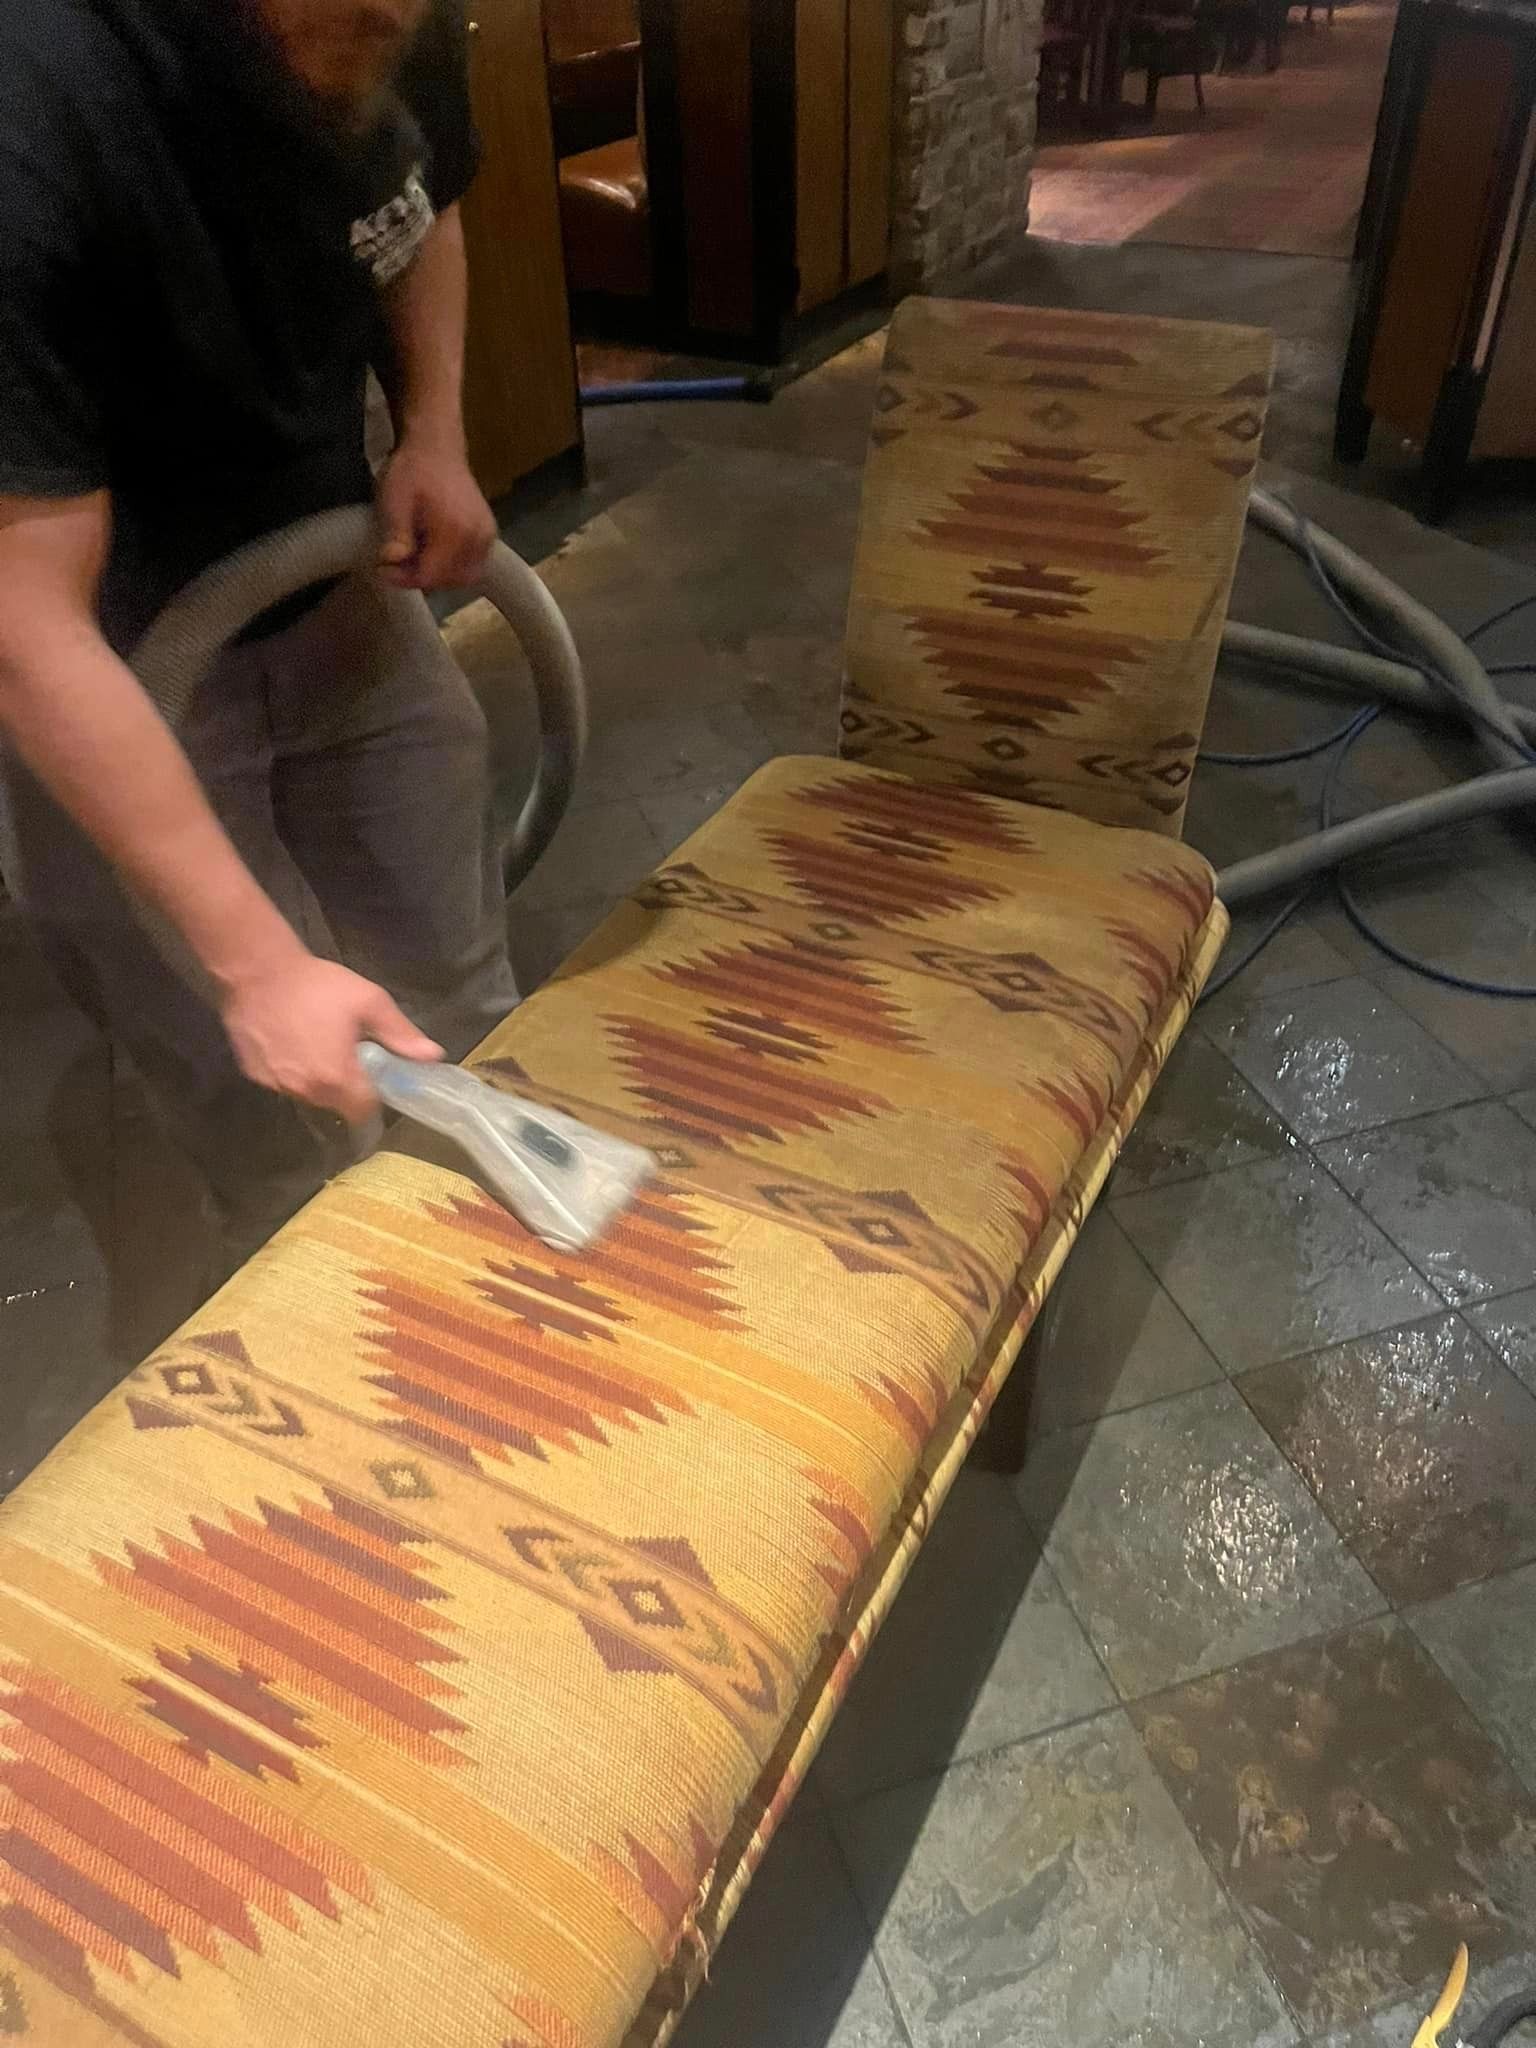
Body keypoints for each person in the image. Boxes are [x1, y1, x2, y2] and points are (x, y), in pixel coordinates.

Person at [0, 0, 519, 1262]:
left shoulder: (393, 17)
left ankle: (495, 1288)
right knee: (247, 1080)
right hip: (113, 662)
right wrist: (256, 968)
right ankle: (300, 1285)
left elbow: (420, 210)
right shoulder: (35, 101)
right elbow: (25, 623)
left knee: (458, 1001)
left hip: (339, 581)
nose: (393, 13)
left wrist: (434, 429)